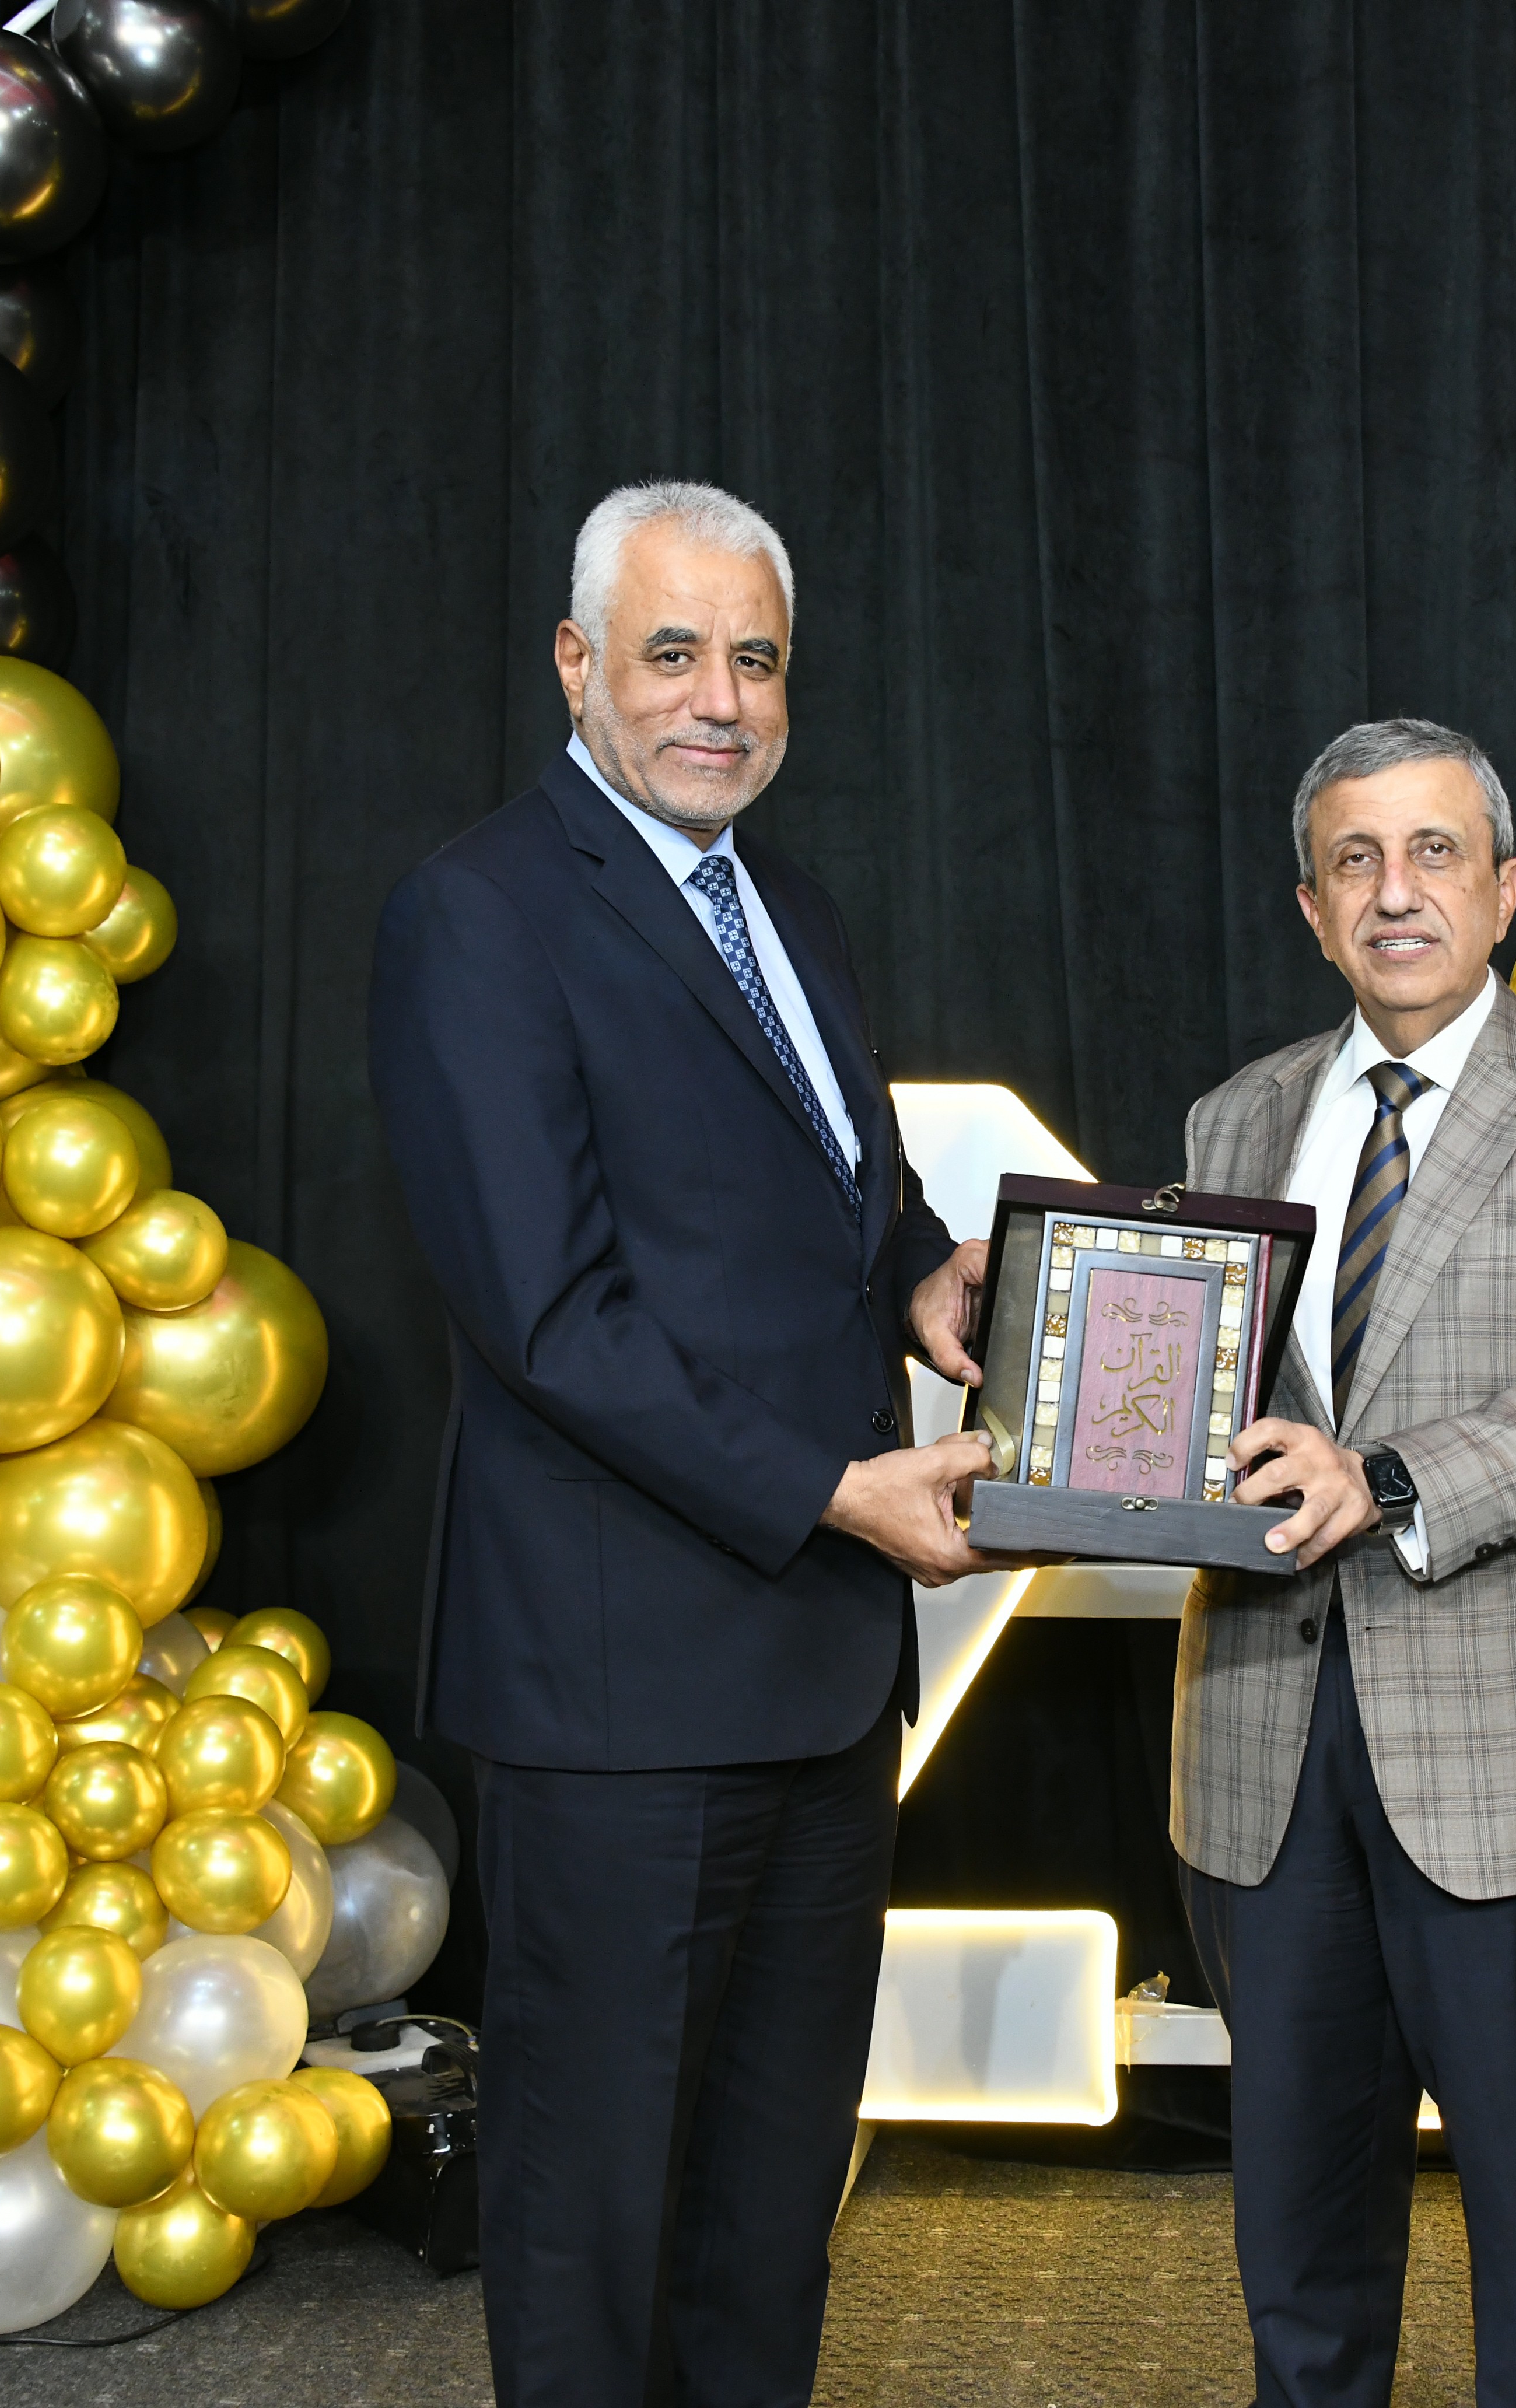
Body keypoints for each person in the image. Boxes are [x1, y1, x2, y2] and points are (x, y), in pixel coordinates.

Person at [367, 480, 999, 2406]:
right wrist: (834, 1491)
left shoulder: (782, 902)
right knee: (596, 2211)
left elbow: (831, 1192)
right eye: (671, 653)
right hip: (619, 1690)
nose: (719, 699)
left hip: (818, 1673)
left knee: (770, 2199)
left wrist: (925, 1275)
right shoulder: (481, 912)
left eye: (756, 659)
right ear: (577, 665)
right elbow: (548, 1311)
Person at [1174, 716, 1516, 2408]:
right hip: (1265, 1739)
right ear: (1312, 908)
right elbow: (1194, 1397)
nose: (1394, 892)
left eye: (1433, 854)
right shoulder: (1235, 1118)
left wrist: (1384, 1478)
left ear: (1506, 889)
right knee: (1299, 2235)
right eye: (1355, 861)